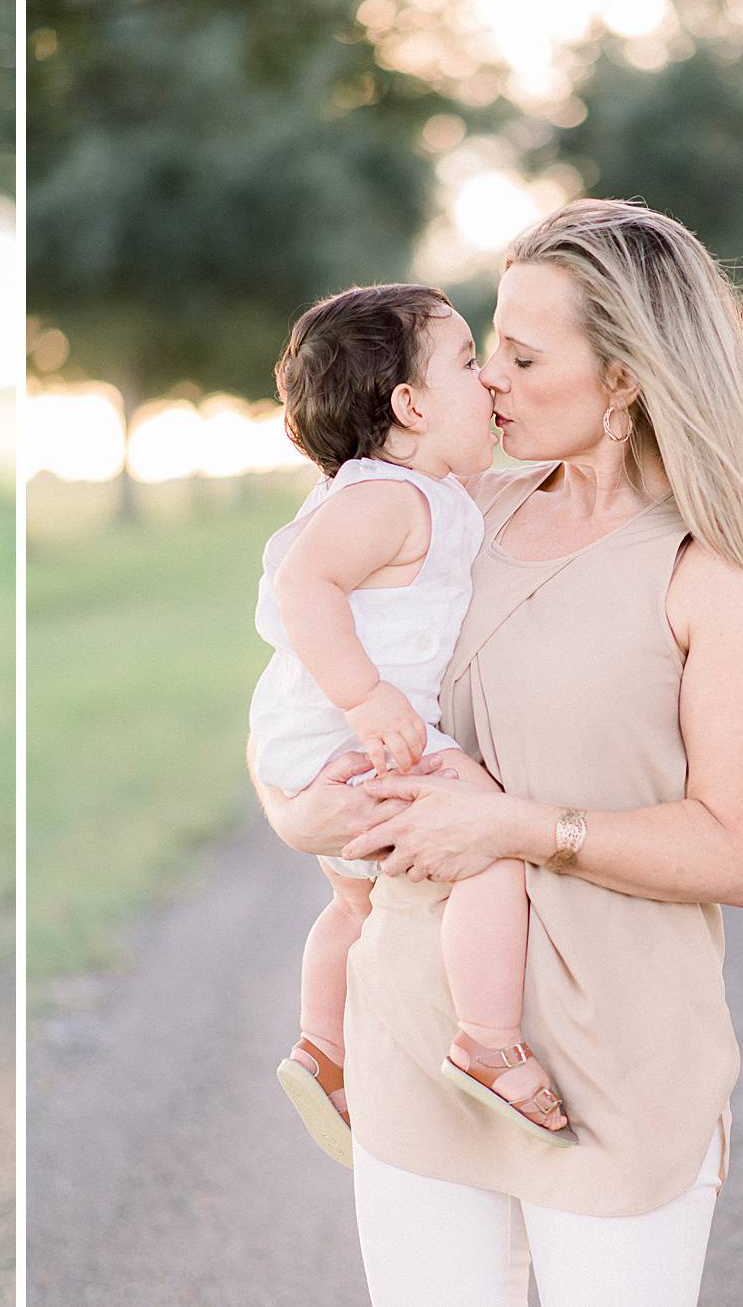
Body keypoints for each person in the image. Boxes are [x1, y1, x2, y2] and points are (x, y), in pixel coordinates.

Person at [256, 199, 743, 1307]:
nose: (489, 377)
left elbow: (737, 852)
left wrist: (516, 828)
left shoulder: (713, 574)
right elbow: (311, 687)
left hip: (615, 1069)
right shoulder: (454, 514)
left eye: (517, 352)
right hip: (415, 1041)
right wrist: (296, 815)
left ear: (622, 378)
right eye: (483, 350)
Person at [249, 283, 570, 1170]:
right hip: (350, 736)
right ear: (411, 405)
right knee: (493, 840)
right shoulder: (388, 499)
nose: (492, 380)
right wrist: (364, 698)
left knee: (353, 900)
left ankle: (322, 1048)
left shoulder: (433, 493)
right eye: (471, 362)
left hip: (324, 742)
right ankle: (488, 1038)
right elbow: (302, 586)